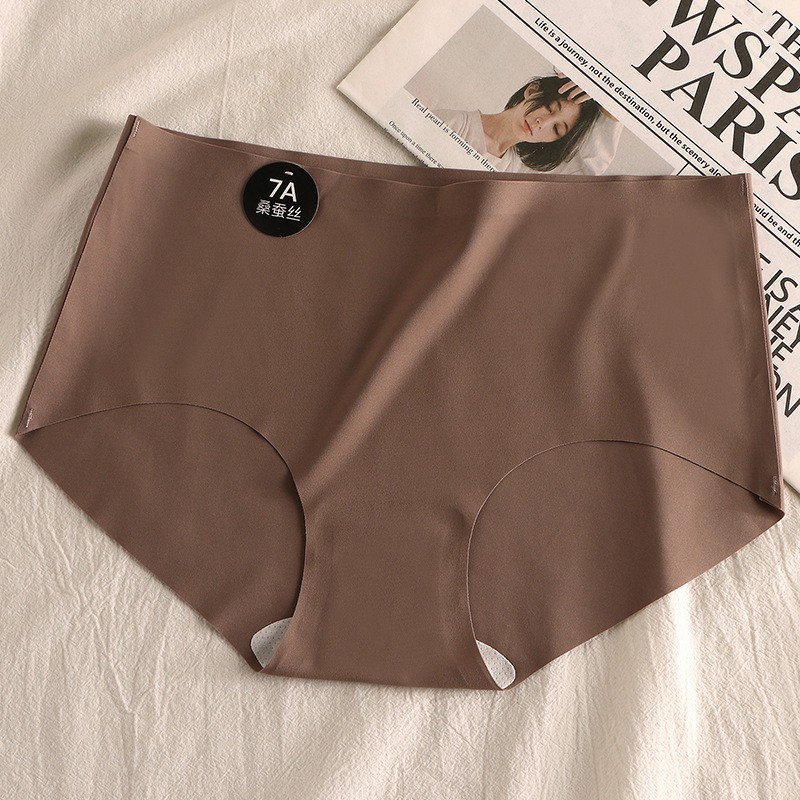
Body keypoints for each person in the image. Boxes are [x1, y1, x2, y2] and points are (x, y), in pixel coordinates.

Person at [431, 69, 623, 174]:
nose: (542, 123)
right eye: (549, 108)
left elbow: (589, 171)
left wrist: (607, 95)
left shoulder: (518, 172)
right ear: (532, 90)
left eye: (556, 129)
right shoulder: (453, 124)